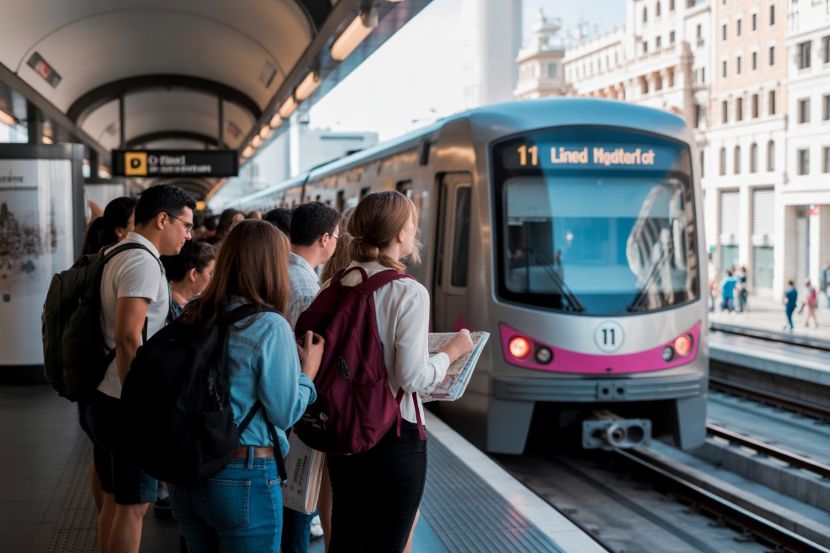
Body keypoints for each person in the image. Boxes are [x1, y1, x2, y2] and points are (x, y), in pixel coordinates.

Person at [324, 191, 473, 553]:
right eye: (411, 224)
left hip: (343, 431)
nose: (413, 230)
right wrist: (451, 353)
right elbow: (412, 378)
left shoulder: (335, 284)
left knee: (347, 538)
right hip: (393, 435)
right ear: (400, 234)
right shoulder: (408, 291)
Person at [170, 220, 323, 552]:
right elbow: (284, 413)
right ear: (271, 266)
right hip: (244, 473)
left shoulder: (195, 311)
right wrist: (307, 373)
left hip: (186, 473)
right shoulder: (269, 325)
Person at [83, 185, 195, 553]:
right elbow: (129, 336)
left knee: (117, 501)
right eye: (186, 225)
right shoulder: (142, 262)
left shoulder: (117, 252)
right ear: (163, 219)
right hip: (124, 402)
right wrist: (141, 402)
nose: (189, 235)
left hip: (106, 393)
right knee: (133, 508)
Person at [282, 202, 341, 553]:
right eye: (336, 236)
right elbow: (310, 354)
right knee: (297, 500)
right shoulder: (307, 288)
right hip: (296, 401)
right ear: (324, 239)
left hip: (274, 398)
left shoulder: (278, 269)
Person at [78, 196, 138, 514]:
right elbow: (127, 336)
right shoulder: (126, 264)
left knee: (102, 463)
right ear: (119, 231)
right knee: (125, 500)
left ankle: (104, 519)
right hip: (110, 385)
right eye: (135, 224)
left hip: (89, 376)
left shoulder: (93, 262)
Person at [161, 240, 217, 318]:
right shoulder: (163, 307)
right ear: (193, 274)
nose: (214, 279)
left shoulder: (194, 304)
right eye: (210, 273)